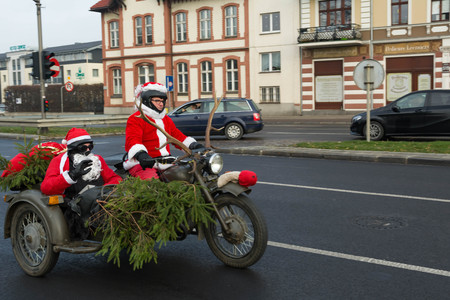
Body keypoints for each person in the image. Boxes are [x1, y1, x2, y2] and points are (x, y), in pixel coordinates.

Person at [124, 82, 204, 180]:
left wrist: (193, 145)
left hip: (165, 162)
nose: (161, 103)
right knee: (152, 182)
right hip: (143, 163)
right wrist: (141, 154)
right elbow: (132, 140)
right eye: (157, 100)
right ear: (146, 100)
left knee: (186, 176)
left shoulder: (165, 119)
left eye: (163, 100)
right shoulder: (136, 118)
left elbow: (177, 136)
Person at [41, 127, 122, 198]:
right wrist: (71, 175)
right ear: (73, 149)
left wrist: (102, 191)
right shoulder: (59, 161)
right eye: (83, 147)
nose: (88, 150)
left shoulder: (97, 159)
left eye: (90, 146)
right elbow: (46, 188)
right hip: (73, 204)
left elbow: (115, 178)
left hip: (99, 200)